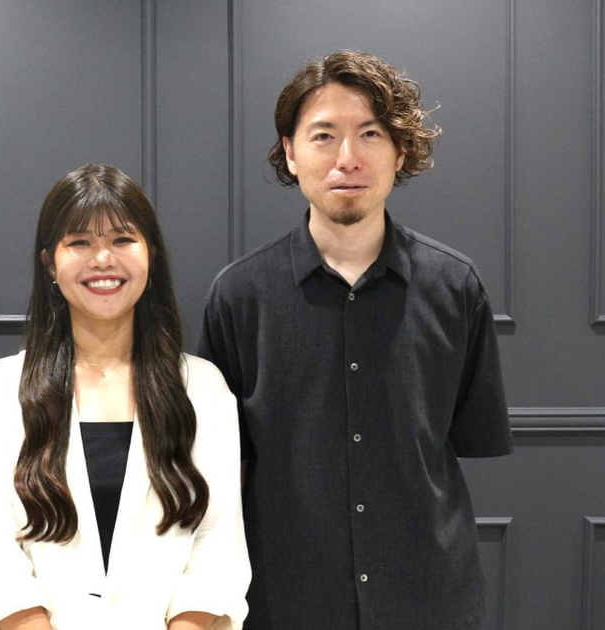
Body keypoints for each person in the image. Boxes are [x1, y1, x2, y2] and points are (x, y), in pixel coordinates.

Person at [198, 50, 514, 630]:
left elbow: (470, 434)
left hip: (429, 600)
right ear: (290, 152)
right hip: (284, 603)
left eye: (370, 134)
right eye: (323, 136)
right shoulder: (239, 296)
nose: (347, 157)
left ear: (400, 151)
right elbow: (219, 466)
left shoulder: (454, 286)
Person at [0, 164, 250, 630]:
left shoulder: (201, 387)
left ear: (151, 255)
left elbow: (217, 552)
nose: (102, 259)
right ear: (50, 263)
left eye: (122, 239)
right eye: (79, 243)